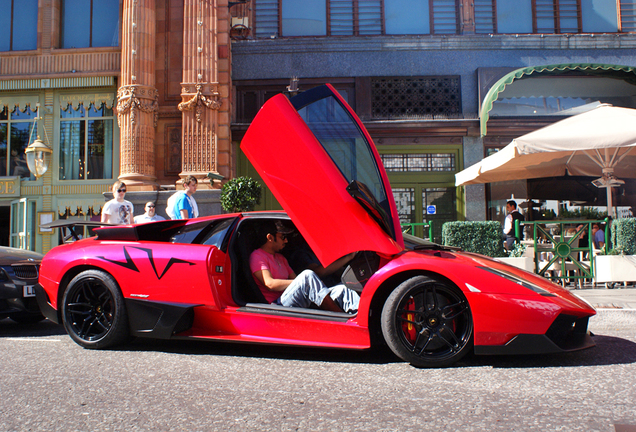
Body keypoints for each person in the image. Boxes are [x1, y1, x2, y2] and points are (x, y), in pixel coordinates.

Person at [249, 220, 360, 313]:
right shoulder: (257, 256)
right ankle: (341, 318)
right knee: (307, 275)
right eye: (283, 237)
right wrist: (302, 282)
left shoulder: (281, 258)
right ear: (270, 238)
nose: (286, 240)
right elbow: (270, 284)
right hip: (278, 306)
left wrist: (302, 283)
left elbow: (295, 279)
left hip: (294, 298)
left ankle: (362, 321)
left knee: (344, 289)